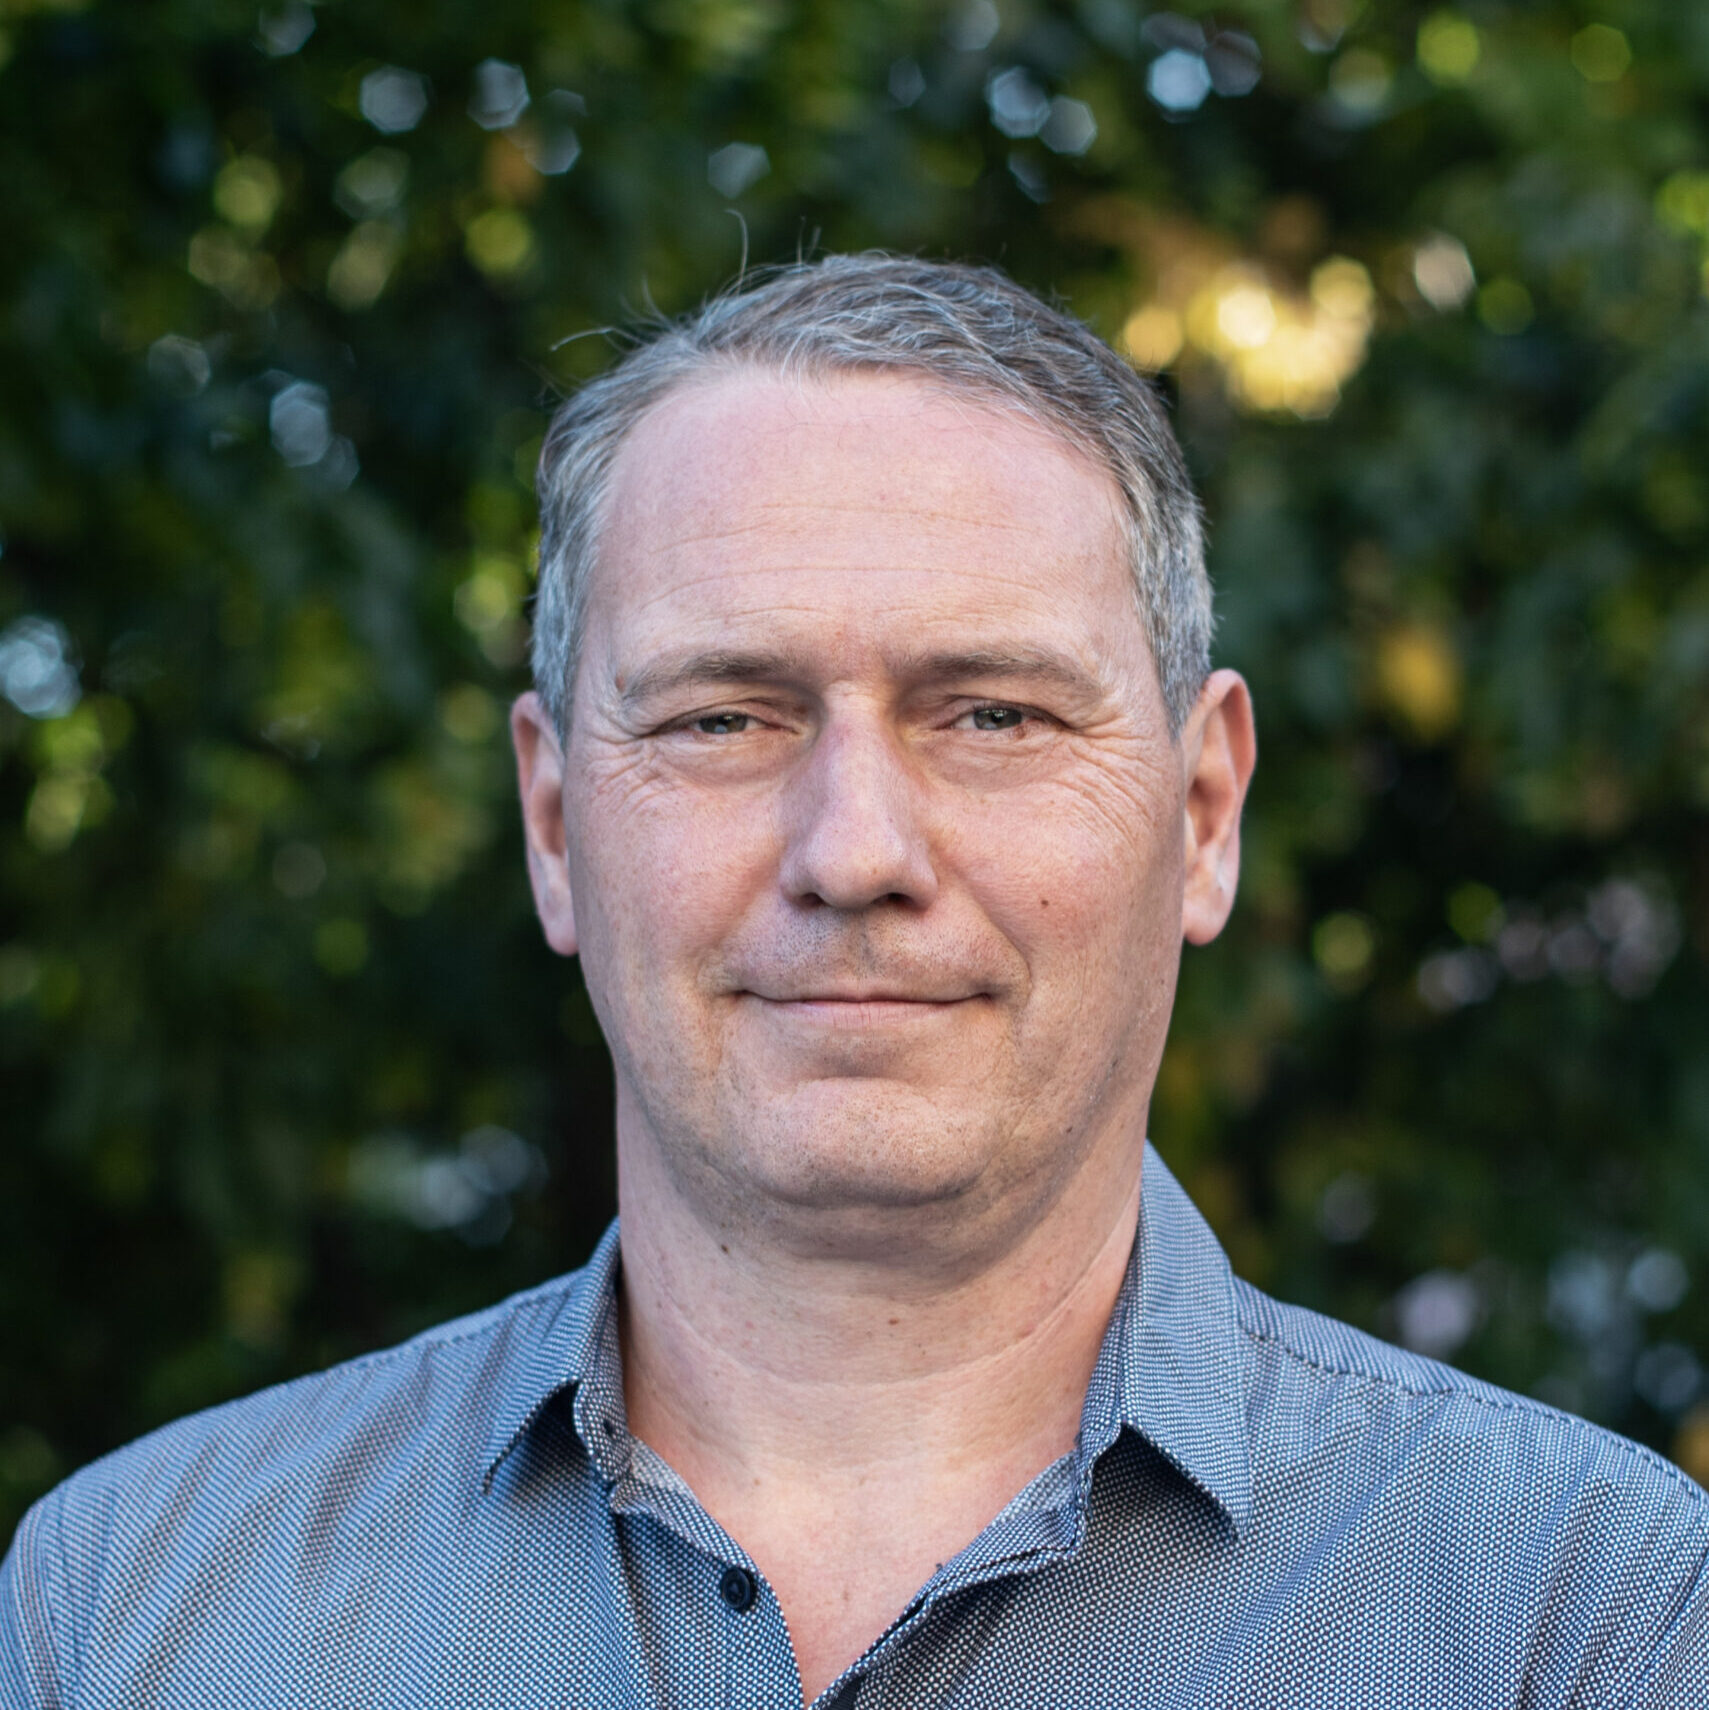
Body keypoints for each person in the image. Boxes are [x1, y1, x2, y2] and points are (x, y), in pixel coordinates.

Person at [3, 254, 1705, 1709]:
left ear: (1200, 815)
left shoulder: (1583, 1622)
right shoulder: (137, 1613)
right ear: (553, 824)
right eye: (721, 717)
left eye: (993, 713)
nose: (854, 848)